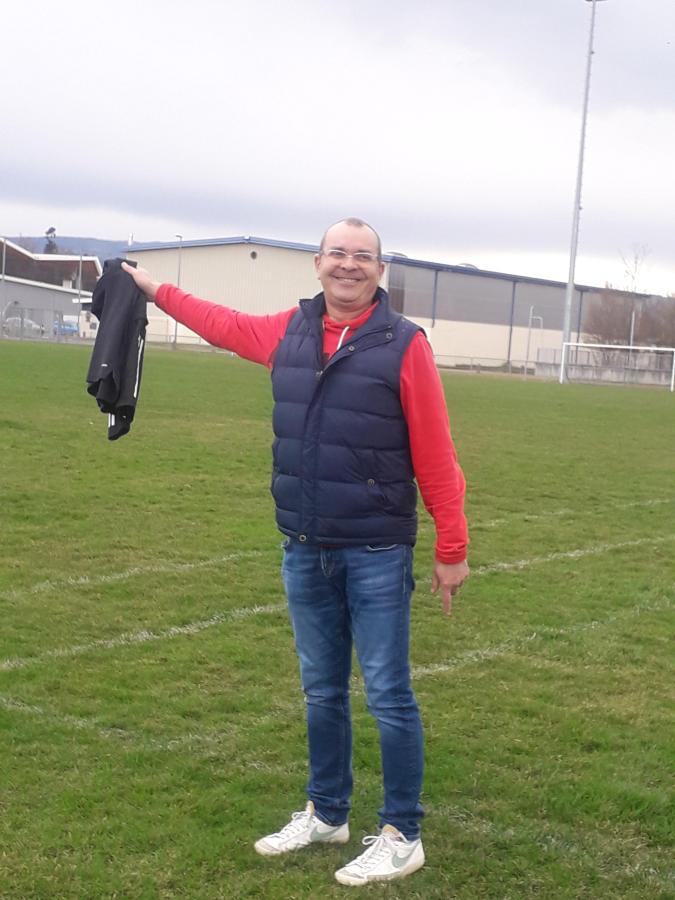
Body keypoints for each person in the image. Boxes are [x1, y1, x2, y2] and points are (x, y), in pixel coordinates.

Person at [122, 217, 469, 886]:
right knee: (320, 690)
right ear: (316, 264)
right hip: (305, 547)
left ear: (379, 272)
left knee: (388, 694)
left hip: (375, 550)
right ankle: (327, 812)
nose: (348, 265)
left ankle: (403, 832)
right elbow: (218, 321)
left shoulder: (404, 345)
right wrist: (153, 288)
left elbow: (435, 450)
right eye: (337, 253)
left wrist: (450, 547)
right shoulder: (289, 332)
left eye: (361, 257)